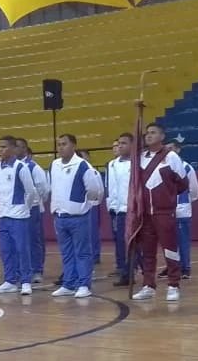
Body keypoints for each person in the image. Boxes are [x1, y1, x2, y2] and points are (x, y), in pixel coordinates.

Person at [132, 123, 187, 302]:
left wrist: (166, 197)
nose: (148, 135)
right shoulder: (140, 158)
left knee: (170, 250)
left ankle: (173, 285)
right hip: (145, 214)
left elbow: (182, 183)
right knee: (147, 252)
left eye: (153, 133)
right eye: (147, 133)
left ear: (162, 136)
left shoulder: (171, 157)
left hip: (164, 212)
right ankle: (148, 285)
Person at [50, 132, 102, 298]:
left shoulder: (83, 165)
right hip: (60, 216)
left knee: (82, 252)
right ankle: (69, 283)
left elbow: (94, 189)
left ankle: (84, 284)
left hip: (78, 217)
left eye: (64, 144)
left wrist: (84, 205)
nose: (60, 147)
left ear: (73, 146)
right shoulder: (54, 164)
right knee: (66, 253)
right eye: (59, 144)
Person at [0, 135, 39, 296]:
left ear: (13, 149)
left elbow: (31, 191)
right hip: (3, 215)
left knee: (22, 249)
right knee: (6, 250)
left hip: (19, 216)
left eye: (4, 147)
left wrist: (24, 207)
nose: (0, 150)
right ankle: (10, 281)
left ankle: (25, 281)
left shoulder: (21, 167)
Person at [166, 135, 198, 279]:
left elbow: (194, 190)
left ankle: (185, 267)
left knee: (182, 241)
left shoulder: (187, 167)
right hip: (166, 210)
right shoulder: (162, 167)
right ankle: (171, 267)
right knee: (168, 242)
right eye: (166, 149)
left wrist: (185, 201)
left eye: (171, 148)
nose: (169, 151)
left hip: (181, 211)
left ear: (178, 150)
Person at [16, 138, 49, 283]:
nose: (14, 149)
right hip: (16, 209)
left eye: (18, 147)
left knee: (34, 240)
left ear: (25, 149)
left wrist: (36, 202)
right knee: (19, 241)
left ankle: (37, 270)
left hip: (32, 208)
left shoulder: (33, 167)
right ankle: (22, 270)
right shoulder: (12, 166)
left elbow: (44, 189)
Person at [106, 134, 132, 286]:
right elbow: (112, 187)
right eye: (118, 143)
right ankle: (125, 272)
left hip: (134, 209)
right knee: (121, 242)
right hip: (120, 209)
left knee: (136, 243)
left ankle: (140, 269)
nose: (120, 146)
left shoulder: (138, 162)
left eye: (124, 143)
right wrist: (112, 205)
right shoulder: (112, 164)